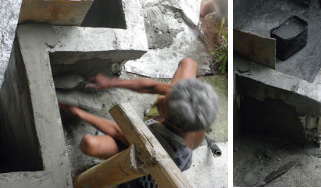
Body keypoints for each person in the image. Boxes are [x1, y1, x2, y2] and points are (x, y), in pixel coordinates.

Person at [60, 57, 219, 171]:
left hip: (156, 154)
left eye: (163, 103)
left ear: (170, 122)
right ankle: (153, 116)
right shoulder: (191, 104)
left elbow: (118, 131)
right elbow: (153, 87)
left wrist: (79, 112)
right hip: (165, 132)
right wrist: (112, 83)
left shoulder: (158, 142)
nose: (162, 97)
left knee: (90, 144)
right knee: (189, 63)